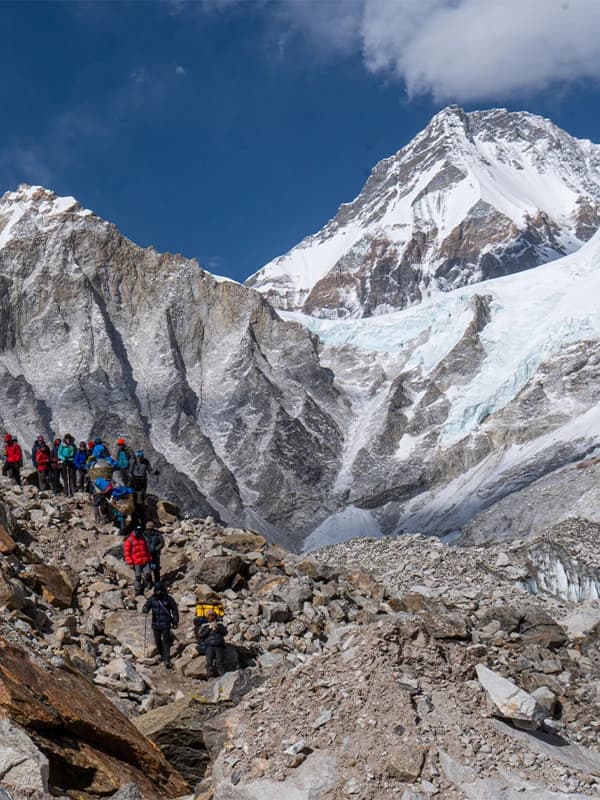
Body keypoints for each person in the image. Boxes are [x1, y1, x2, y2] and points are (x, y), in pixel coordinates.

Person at [142, 582, 179, 669]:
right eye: (157, 590)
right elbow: (146, 606)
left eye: (160, 590)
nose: (158, 592)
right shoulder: (152, 599)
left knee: (166, 642)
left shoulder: (169, 599)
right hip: (155, 624)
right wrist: (145, 609)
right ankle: (162, 656)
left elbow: (174, 610)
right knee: (158, 642)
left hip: (166, 624)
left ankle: (166, 660)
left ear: (163, 590)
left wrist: (175, 620)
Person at [196, 610, 228, 677]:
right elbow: (201, 635)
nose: (211, 617)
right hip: (209, 646)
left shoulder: (220, 624)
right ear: (207, 617)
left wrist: (217, 628)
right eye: (209, 615)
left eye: (212, 615)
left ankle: (223, 677)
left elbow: (225, 632)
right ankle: (210, 676)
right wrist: (209, 628)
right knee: (209, 662)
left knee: (219, 662)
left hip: (219, 646)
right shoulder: (205, 626)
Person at [123, 526, 153, 596]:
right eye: (138, 531)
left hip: (145, 561)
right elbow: (127, 553)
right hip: (136, 562)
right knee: (138, 577)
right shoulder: (129, 540)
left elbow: (146, 550)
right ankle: (138, 591)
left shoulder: (142, 538)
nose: (139, 533)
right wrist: (130, 562)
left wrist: (150, 559)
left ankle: (148, 587)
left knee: (148, 574)